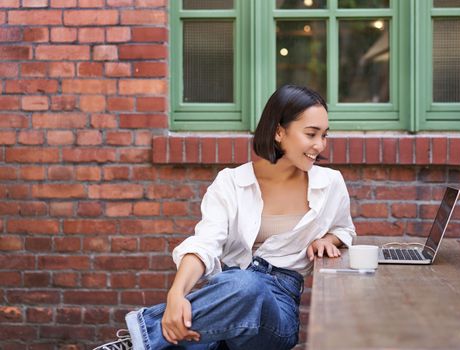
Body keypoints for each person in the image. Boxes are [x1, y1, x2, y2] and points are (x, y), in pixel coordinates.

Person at [94, 85, 356, 350]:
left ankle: (142, 339)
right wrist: (176, 294)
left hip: (277, 312)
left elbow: (345, 229)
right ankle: (148, 342)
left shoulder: (330, 183)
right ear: (278, 131)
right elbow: (205, 243)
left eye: (324, 135)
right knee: (236, 285)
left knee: (246, 285)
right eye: (311, 134)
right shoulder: (231, 182)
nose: (320, 145)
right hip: (227, 297)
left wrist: (331, 239)